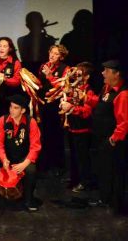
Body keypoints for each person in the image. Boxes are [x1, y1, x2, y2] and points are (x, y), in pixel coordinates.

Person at [0, 94, 42, 211]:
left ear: (23, 110)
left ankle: (28, 199)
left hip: (23, 156)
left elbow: (35, 147)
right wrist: (4, 159)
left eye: (15, 108)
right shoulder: (2, 120)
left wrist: (24, 163)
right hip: (6, 155)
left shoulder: (31, 122)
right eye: (11, 107)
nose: (11, 110)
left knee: (31, 170)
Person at [90, 60, 128, 213]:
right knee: (104, 169)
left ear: (116, 74)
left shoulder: (123, 95)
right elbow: (99, 103)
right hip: (101, 138)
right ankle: (105, 198)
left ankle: (115, 203)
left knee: (114, 172)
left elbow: (124, 122)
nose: (102, 73)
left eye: (106, 70)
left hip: (112, 141)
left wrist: (113, 139)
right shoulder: (107, 88)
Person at [59, 62, 97, 192]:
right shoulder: (75, 87)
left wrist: (72, 108)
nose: (76, 74)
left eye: (80, 73)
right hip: (72, 127)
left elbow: (87, 111)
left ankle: (85, 181)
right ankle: (74, 178)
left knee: (82, 157)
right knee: (74, 156)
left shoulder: (89, 90)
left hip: (83, 129)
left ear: (86, 76)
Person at [37, 44, 70, 174]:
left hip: (57, 106)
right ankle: (45, 164)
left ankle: (58, 166)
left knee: (56, 135)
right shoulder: (43, 66)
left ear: (61, 56)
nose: (52, 55)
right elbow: (39, 84)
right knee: (44, 134)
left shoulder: (65, 68)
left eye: (56, 54)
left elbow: (63, 87)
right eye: (51, 52)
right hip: (44, 105)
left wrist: (50, 76)